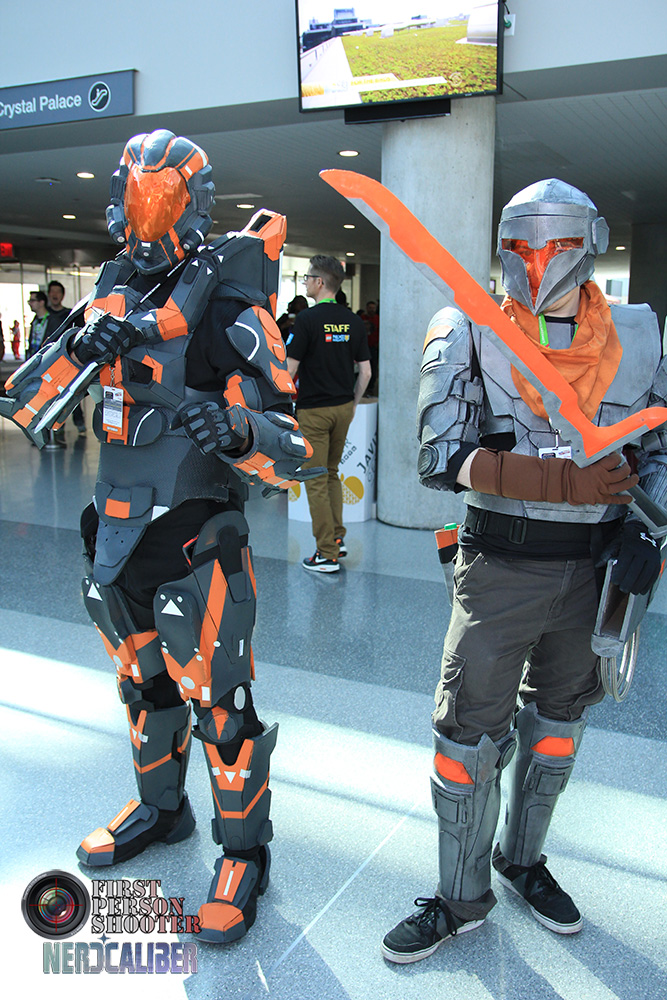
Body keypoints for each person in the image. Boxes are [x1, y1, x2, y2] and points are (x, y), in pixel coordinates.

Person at [2, 129, 316, 944]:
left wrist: (237, 427)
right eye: (136, 192)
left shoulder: (227, 301)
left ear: (191, 201)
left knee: (222, 706)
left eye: (162, 194)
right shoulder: (110, 288)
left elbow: (292, 449)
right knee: (145, 688)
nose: (147, 209)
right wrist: (79, 342)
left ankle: (243, 855)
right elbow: (30, 404)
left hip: (192, 535)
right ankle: (161, 809)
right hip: (115, 531)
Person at [381, 178, 667, 963]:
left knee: (557, 729)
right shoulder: (467, 328)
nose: (537, 262)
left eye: (557, 244)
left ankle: (522, 860)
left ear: (591, 242)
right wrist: (563, 482)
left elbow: (659, 447)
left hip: (594, 570)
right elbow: (439, 458)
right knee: (466, 736)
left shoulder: (639, 334)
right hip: (498, 568)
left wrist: (649, 532)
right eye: (519, 245)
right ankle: (459, 897)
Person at [287, 255, 371, 572]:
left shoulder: (306, 320)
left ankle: (326, 554)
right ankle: (337, 537)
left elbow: (289, 370)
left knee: (316, 480)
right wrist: (353, 403)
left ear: (320, 282)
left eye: (308, 278)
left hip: (314, 411)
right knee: (332, 472)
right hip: (343, 408)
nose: (305, 282)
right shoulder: (353, 321)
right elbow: (365, 372)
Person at [48, 280, 86, 436]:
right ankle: (56, 425)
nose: (55, 295)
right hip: (50, 362)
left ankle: (79, 422)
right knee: (52, 395)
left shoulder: (70, 315)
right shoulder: (45, 316)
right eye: (52, 291)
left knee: (72, 392)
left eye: (58, 291)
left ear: (62, 295)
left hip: (68, 361)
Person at [26, 291, 51, 356]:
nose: (30, 303)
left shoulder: (52, 321)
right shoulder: (34, 321)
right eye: (29, 301)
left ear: (41, 302)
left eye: (32, 301)